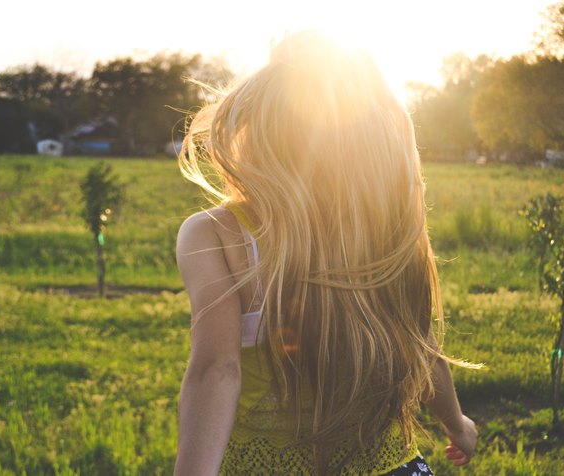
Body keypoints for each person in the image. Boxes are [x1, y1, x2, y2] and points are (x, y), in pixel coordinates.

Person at [173, 30, 479, 476]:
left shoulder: (216, 233)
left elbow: (218, 370)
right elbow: (419, 342)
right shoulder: (381, 231)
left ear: (253, 129)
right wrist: (457, 423)